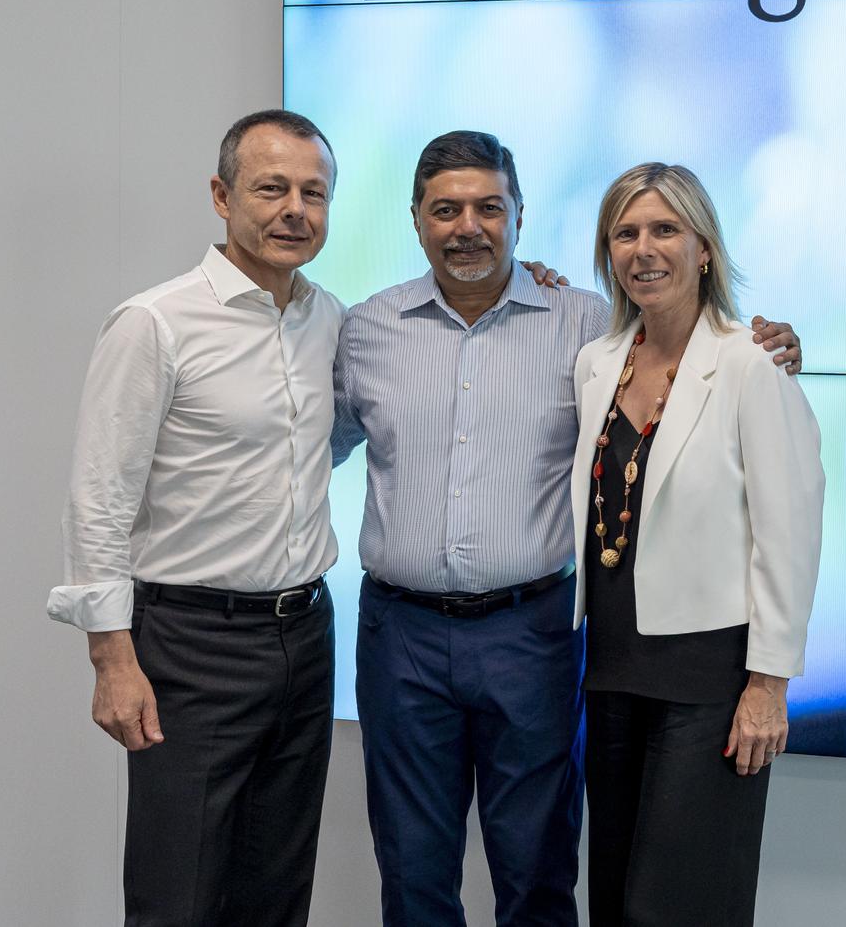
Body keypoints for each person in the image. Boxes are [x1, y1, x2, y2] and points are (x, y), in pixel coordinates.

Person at [331, 134, 802, 926]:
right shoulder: (366, 330)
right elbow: (311, 444)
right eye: (446, 209)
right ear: (416, 221)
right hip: (400, 636)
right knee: (412, 874)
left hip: (533, 635)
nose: (468, 226)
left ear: (521, 215)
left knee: (539, 870)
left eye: (489, 206)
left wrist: (775, 345)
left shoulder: (584, 328)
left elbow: (694, 361)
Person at [49, 109, 344, 926]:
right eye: (271, 188)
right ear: (222, 195)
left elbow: (328, 440)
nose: (295, 209)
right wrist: (112, 657)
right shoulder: (155, 322)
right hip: (191, 644)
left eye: (313, 192)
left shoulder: (328, 319)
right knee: (178, 896)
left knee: (276, 892)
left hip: (306, 636)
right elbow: (97, 496)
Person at [570, 163, 824, 925]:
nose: (644, 248)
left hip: (710, 687)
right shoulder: (596, 362)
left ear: (705, 247)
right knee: (613, 903)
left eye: (664, 229)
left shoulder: (750, 362)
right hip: (611, 677)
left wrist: (768, 685)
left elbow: (790, 530)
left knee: (677, 907)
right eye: (626, 232)